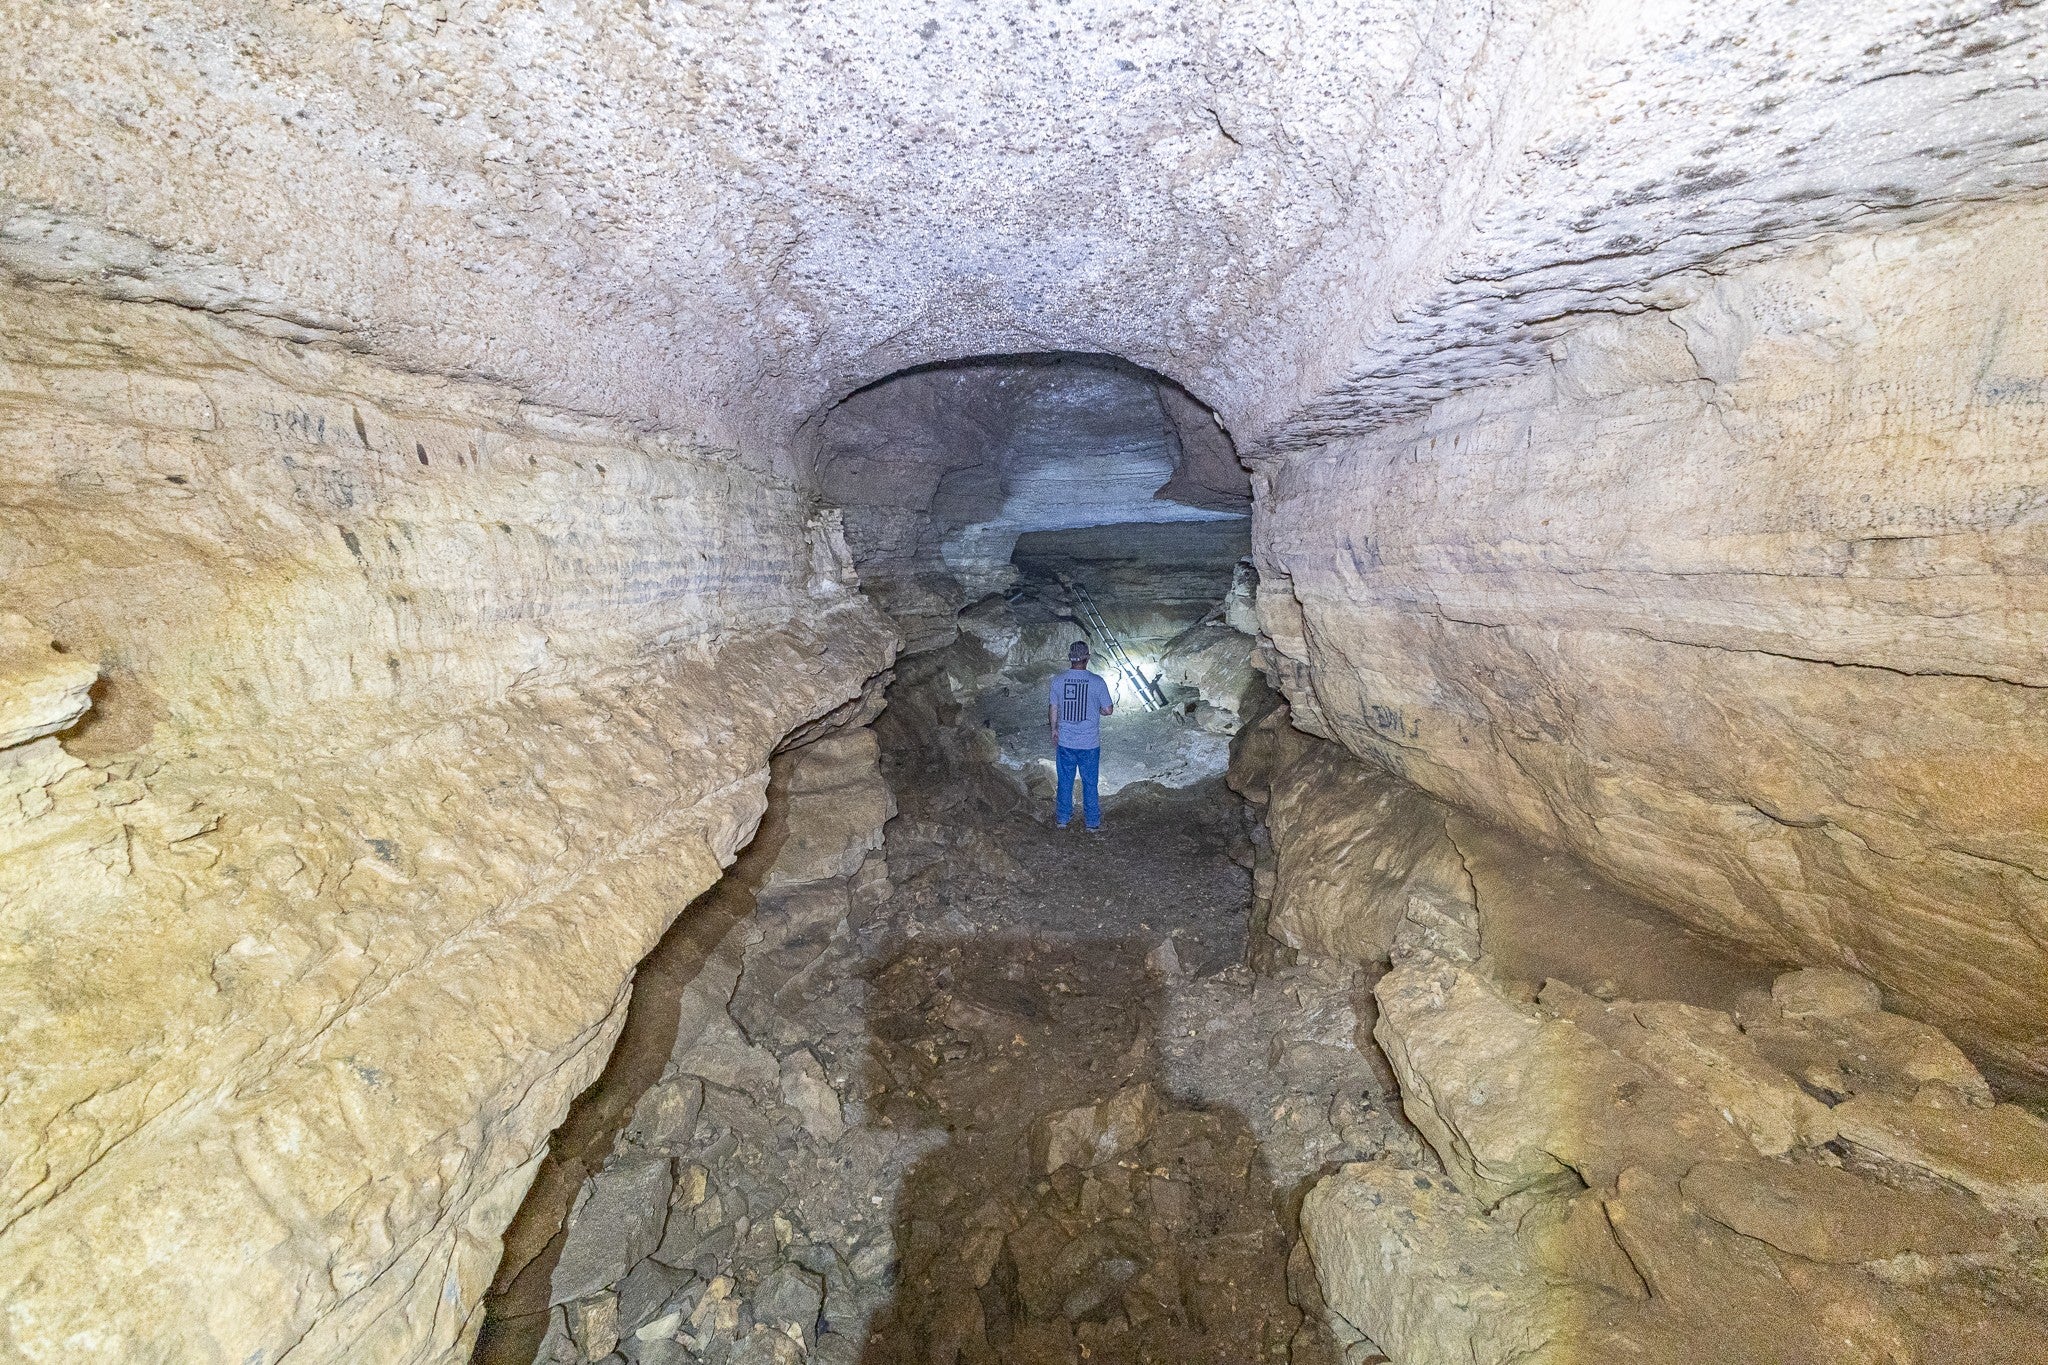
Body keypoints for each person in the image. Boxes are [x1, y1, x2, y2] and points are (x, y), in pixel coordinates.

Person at [1048, 640, 1114, 831]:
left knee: (1065, 781)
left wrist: (1054, 730)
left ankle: (1062, 818)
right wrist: (1097, 710)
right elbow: (1108, 710)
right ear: (1088, 658)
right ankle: (1092, 822)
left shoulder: (1058, 680)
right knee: (1090, 783)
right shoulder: (1097, 681)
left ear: (1070, 658)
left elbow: (1054, 707)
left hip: (1066, 741)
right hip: (1089, 743)